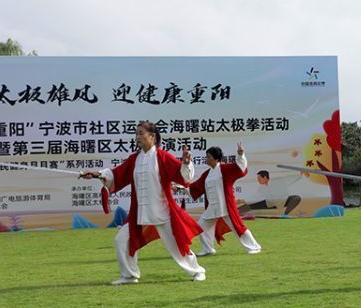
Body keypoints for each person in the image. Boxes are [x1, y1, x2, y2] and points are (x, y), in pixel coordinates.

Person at [81, 121, 206, 284]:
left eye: (141, 133)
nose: (137, 137)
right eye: (136, 134)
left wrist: (186, 163)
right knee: (121, 240)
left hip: (162, 211)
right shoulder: (134, 159)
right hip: (139, 213)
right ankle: (129, 275)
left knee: (177, 244)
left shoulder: (163, 157)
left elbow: (184, 177)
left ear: (152, 136)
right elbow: (116, 173)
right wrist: (96, 174)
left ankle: (198, 271)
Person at [188, 143, 262, 256]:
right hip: (212, 207)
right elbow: (196, 187)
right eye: (206, 156)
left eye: (208, 156)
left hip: (226, 206)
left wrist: (241, 155)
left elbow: (240, 168)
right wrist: (181, 189)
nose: (206, 159)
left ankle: (254, 246)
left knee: (238, 227)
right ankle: (208, 249)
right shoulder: (207, 174)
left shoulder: (225, 168)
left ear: (216, 158)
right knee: (201, 226)